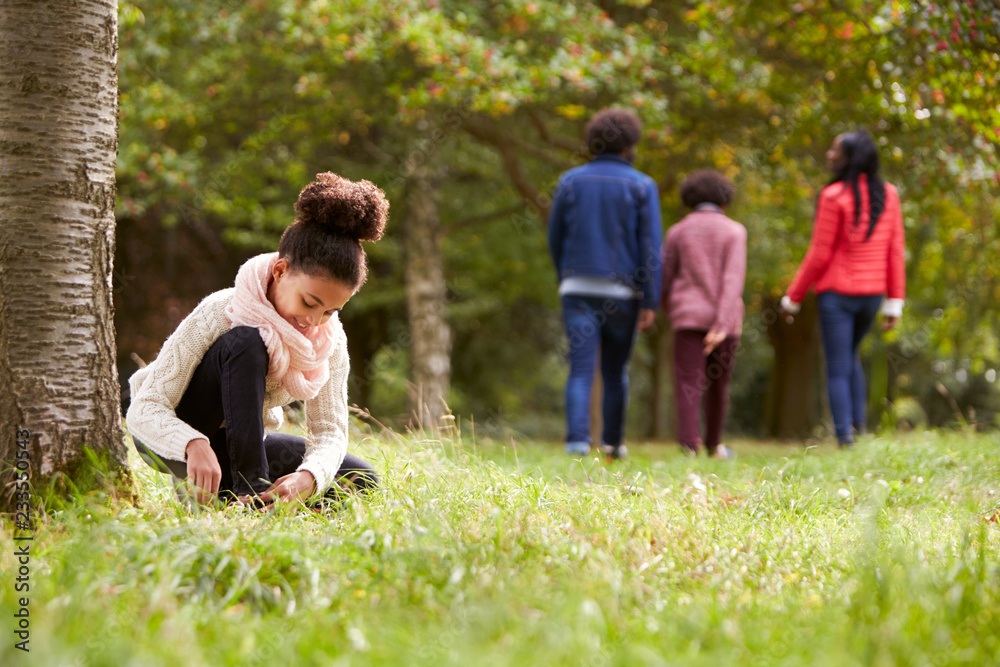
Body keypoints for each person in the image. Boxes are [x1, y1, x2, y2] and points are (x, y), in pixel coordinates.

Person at [127, 172, 389, 505]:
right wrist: (192, 443)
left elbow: (330, 433)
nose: (314, 320)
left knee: (361, 480)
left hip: (238, 447)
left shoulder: (328, 340)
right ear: (280, 271)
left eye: (329, 311)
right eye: (309, 302)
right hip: (171, 433)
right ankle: (248, 493)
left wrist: (309, 478)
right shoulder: (222, 310)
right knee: (248, 342)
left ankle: (243, 497)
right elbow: (145, 409)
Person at [547, 108, 663, 461]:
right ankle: (612, 444)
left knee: (581, 369)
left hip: (577, 289)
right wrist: (650, 300)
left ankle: (577, 443)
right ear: (630, 144)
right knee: (616, 371)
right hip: (623, 293)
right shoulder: (643, 185)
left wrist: (565, 275)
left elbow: (555, 237)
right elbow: (651, 247)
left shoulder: (569, 182)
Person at [781, 129, 905, 447]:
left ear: (849, 157)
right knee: (850, 356)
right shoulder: (889, 193)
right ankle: (859, 428)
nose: (829, 154)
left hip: (837, 296)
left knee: (837, 364)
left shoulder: (833, 195)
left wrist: (793, 297)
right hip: (872, 296)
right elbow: (895, 249)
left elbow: (820, 253)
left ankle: (843, 437)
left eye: (836, 149)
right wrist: (895, 301)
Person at [660, 170, 746, 459]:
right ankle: (713, 445)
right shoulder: (735, 231)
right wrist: (721, 324)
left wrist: (670, 309)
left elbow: (665, 277)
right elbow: (733, 280)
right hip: (727, 322)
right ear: (724, 201)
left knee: (687, 382)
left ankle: (688, 446)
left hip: (687, 318)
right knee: (718, 386)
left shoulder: (678, 231)